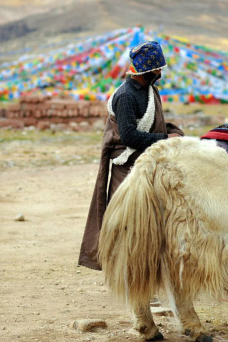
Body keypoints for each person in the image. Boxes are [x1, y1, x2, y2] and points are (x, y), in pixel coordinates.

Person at [78, 40, 184, 270]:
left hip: (145, 164)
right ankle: (128, 277)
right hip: (126, 167)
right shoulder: (126, 96)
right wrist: (165, 139)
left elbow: (151, 126)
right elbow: (129, 137)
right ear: (147, 70)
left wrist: (171, 132)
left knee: (150, 223)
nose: (160, 73)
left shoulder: (148, 90)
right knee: (130, 225)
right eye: (157, 69)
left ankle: (146, 275)